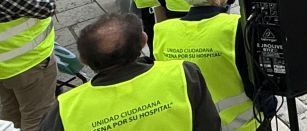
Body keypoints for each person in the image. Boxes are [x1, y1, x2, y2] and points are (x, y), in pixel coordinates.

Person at [40, 12, 221, 130]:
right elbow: (210, 125)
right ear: (144, 41)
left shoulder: (64, 111)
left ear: (83, 60)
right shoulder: (183, 74)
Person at [153, 0, 273, 131]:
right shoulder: (235, 27)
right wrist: (268, 107)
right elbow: (255, 81)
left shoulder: (162, 32)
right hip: (244, 125)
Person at [0, 0, 55, 131]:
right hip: (26, 63)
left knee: (11, 113)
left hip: (6, 66)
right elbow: (45, 6)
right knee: (39, 118)